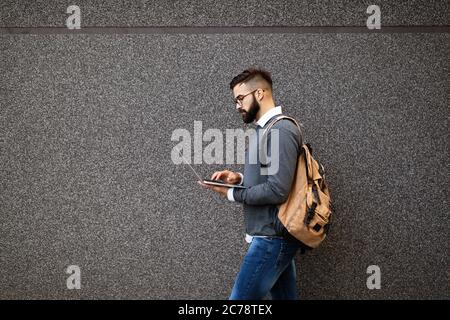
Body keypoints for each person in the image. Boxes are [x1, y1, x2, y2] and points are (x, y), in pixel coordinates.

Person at [198, 68, 303, 300]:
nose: (237, 106)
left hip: (271, 239)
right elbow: (270, 178)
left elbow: (277, 190)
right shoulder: (265, 130)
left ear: (260, 93)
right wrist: (240, 179)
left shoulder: (281, 130)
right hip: (269, 236)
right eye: (235, 100)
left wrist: (232, 194)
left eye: (240, 98)